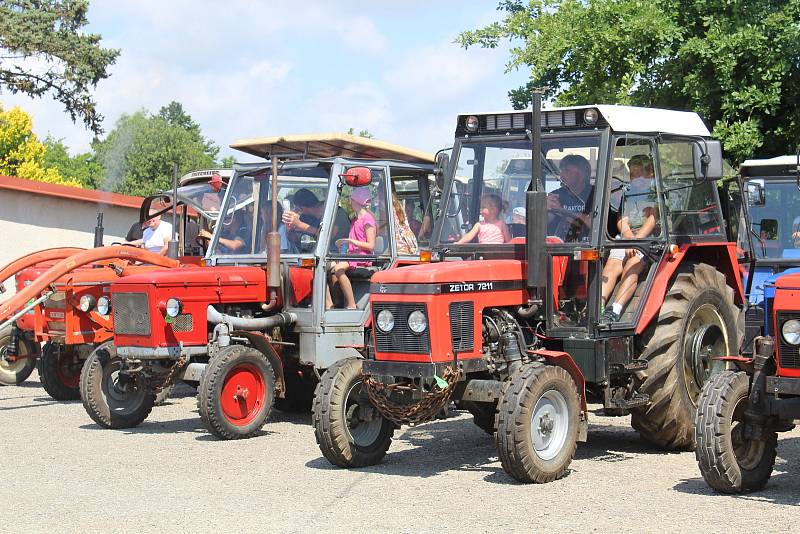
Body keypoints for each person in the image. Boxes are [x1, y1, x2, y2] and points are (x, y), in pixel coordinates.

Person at [600, 154, 657, 323]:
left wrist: (636, 241)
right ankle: (600, 305)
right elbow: (622, 220)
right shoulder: (628, 193)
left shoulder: (656, 192)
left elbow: (652, 219)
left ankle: (615, 309)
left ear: (651, 174)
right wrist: (628, 237)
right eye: (632, 174)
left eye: (639, 174)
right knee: (611, 266)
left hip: (649, 240)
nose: (635, 178)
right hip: (628, 238)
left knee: (632, 265)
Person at [328, 187, 376, 309]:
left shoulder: (368, 220)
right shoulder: (355, 219)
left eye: (351, 200)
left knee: (338, 269)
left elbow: (371, 246)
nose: (350, 202)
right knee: (328, 267)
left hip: (362, 257)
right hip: (352, 255)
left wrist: (351, 241)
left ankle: (351, 304)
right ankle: (333, 304)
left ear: (357, 201)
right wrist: (344, 244)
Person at [547, 154, 594, 240]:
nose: (561, 176)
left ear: (582, 175)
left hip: (588, 247)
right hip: (558, 246)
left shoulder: (595, 195)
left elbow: (594, 224)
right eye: (561, 171)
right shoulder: (556, 195)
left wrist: (562, 211)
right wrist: (543, 210)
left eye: (567, 171)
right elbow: (543, 224)